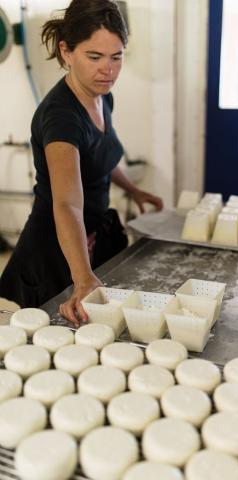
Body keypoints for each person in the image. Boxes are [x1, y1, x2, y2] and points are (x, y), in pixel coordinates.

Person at [0, 0, 163, 325]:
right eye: (95, 57)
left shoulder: (102, 96)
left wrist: (133, 190)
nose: (109, 69)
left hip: (86, 239)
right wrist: (82, 276)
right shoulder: (61, 117)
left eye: (116, 57)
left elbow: (99, 158)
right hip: (53, 251)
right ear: (66, 51)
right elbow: (67, 204)